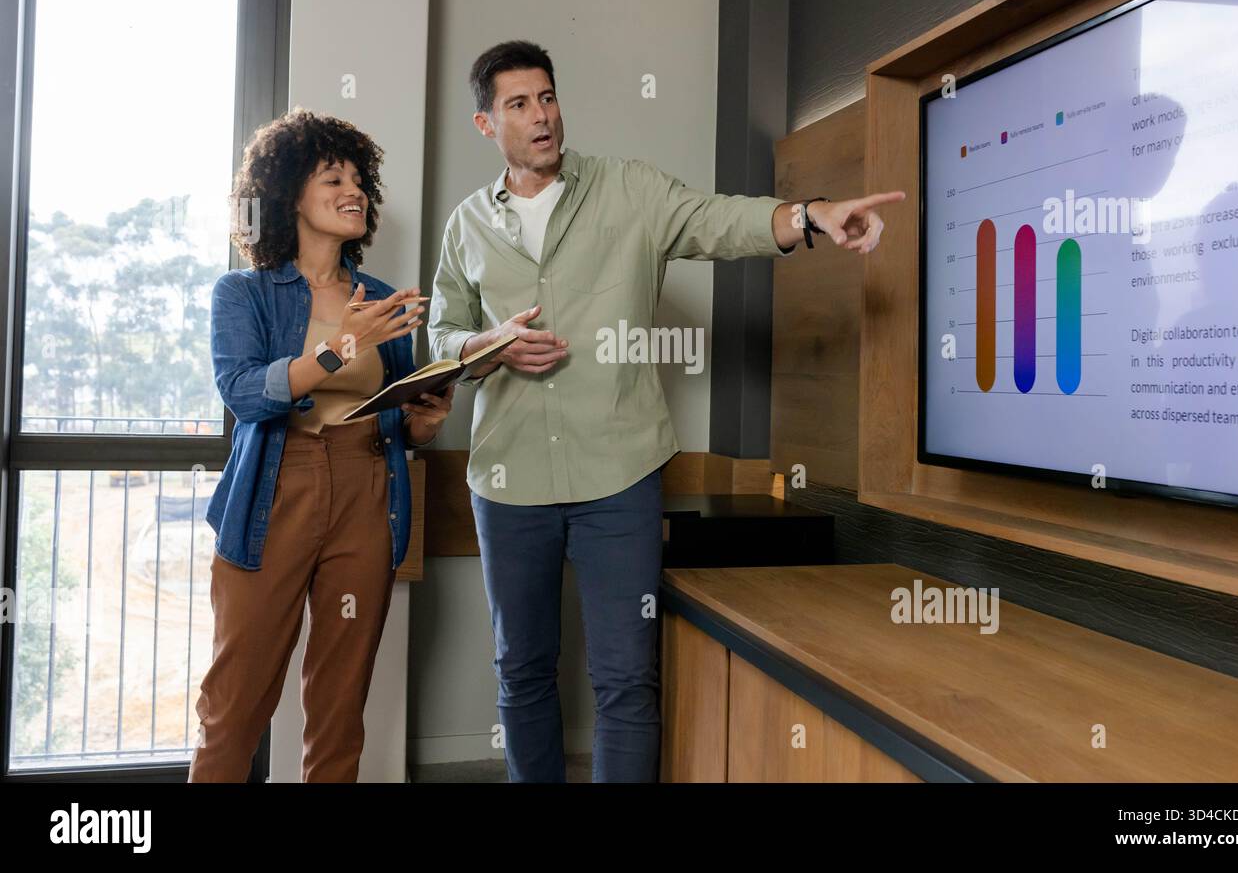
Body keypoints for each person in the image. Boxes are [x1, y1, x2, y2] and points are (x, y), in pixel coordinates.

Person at [427, 40, 905, 782]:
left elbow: (721, 221)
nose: (542, 115)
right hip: (506, 479)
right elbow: (443, 335)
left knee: (627, 678)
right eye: (519, 103)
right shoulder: (466, 226)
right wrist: (488, 346)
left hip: (619, 477)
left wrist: (811, 215)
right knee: (521, 672)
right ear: (487, 125)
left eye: (548, 96)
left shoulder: (629, 190)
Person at [191, 108, 452, 782]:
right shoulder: (243, 293)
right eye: (332, 176)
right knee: (235, 707)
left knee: (340, 708)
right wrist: (340, 348)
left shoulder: (384, 301)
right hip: (275, 492)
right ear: (288, 197)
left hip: (366, 489)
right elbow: (245, 393)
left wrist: (426, 420)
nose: (354, 189)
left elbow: (400, 416)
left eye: (359, 177)